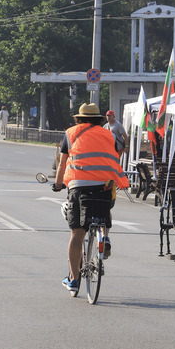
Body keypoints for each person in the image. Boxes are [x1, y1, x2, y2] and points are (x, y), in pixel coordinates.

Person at [53, 103, 130, 294]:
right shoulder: (108, 134)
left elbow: (62, 163)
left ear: (78, 118)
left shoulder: (70, 133)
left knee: (77, 234)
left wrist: (57, 184)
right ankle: (104, 237)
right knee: (103, 211)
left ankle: (73, 279)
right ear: (98, 119)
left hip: (78, 186)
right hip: (104, 185)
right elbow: (114, 156)